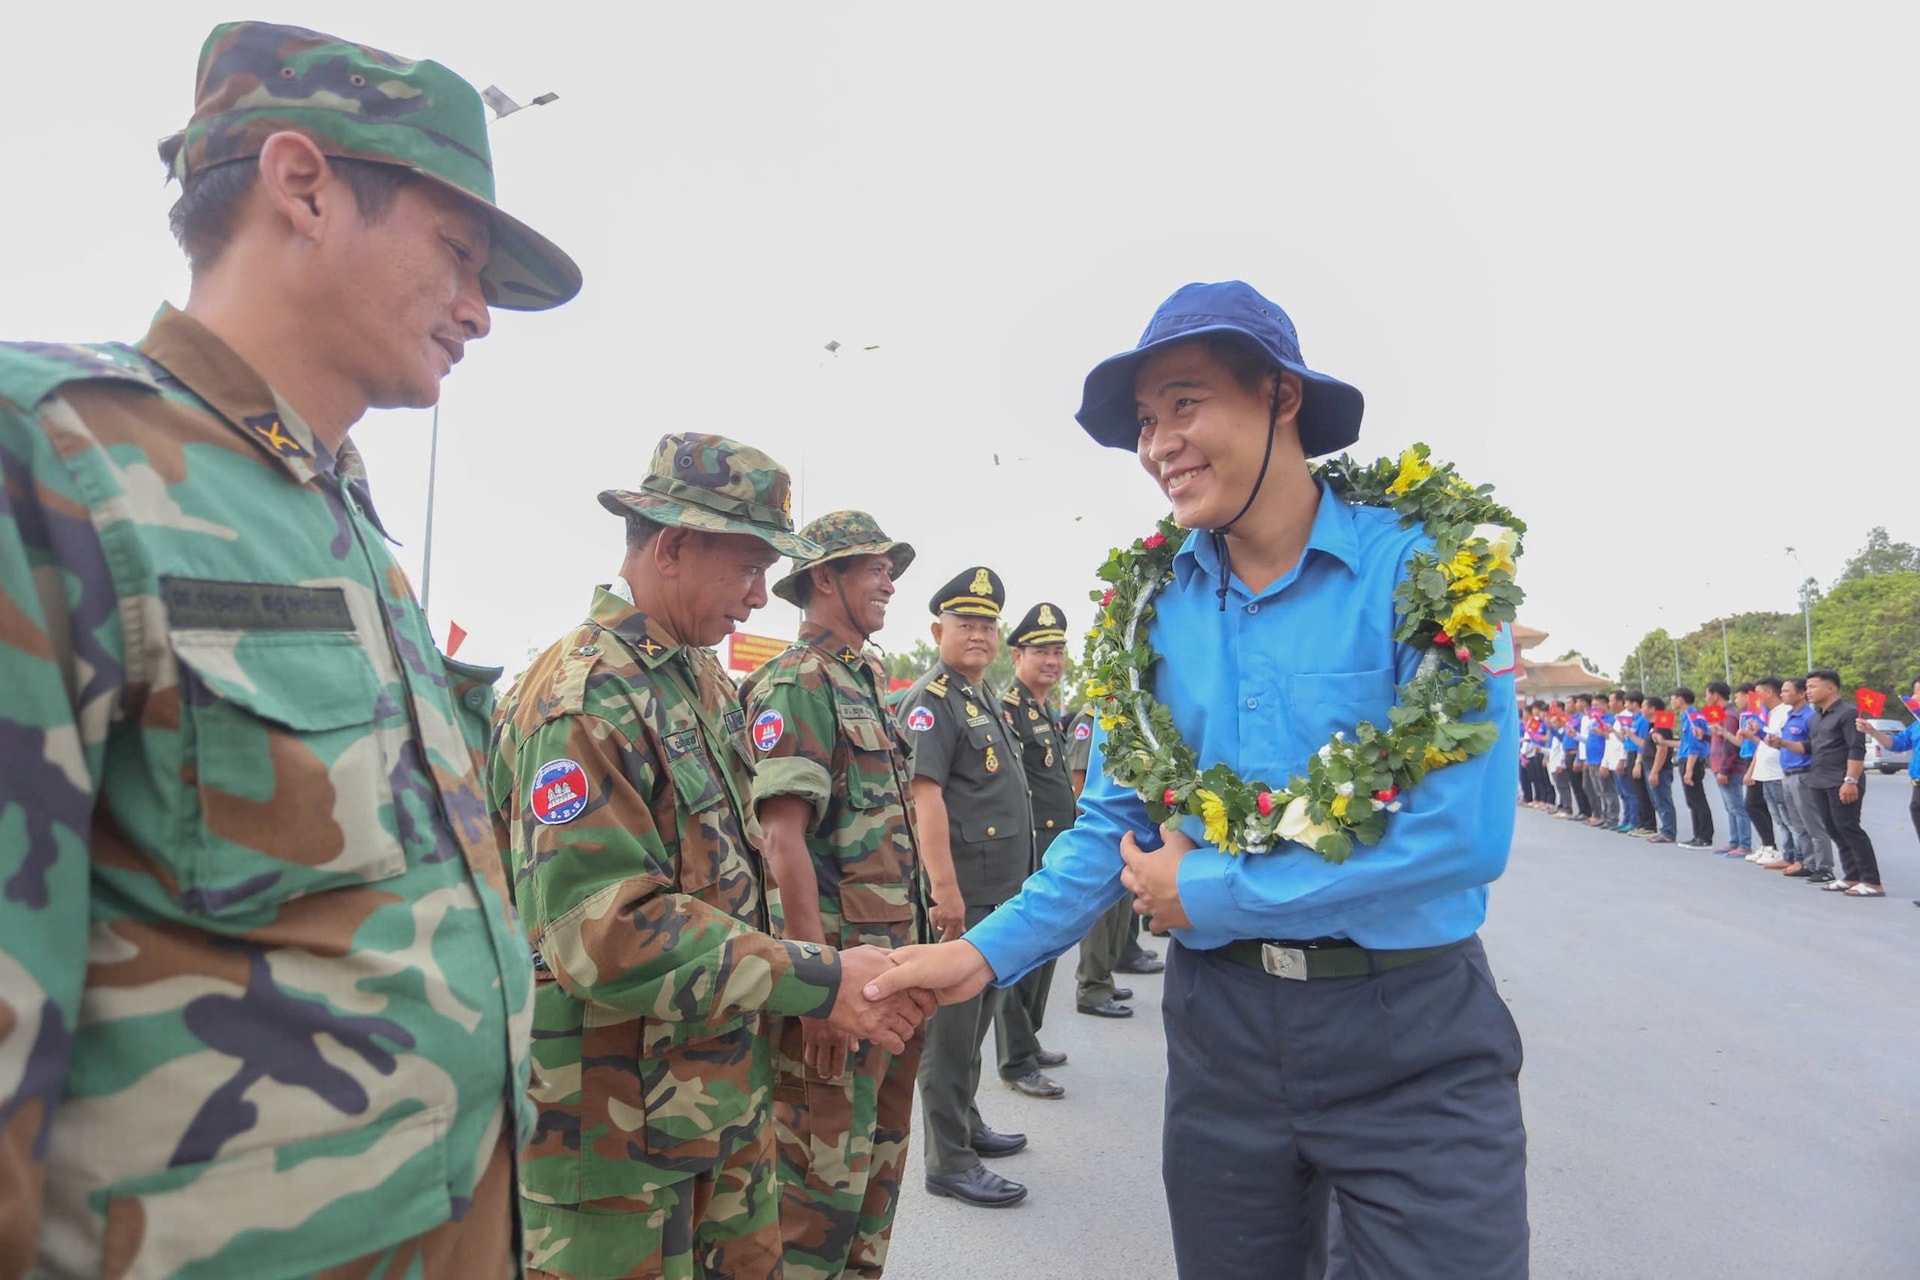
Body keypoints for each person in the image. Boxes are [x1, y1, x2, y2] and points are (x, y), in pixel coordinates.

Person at [0, 21, 582, 1278]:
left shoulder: (337, 511)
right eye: (459, 253)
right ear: (304, 186)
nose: (480, 312)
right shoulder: (50, 454)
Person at [868, 281, 1528, 1277]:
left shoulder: (1430, 574)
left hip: (1411, 1034)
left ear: (1280, 396)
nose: (1158, 444)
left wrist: (1209, 889)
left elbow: (1459, 835)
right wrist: (977, 955)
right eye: (1145, 420)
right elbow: (1112, 826)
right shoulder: (1151, 609)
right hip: (1224, 1036)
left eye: (1185, 403)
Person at [490, 438, 932, 1279]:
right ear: (672, 546)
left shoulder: (698, 680)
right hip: (612, 1146)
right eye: (750, 568)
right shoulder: (585, 697)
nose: (762, 596)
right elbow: (602, 931)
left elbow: (740, 875)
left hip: (718, 1105)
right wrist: (817, 977)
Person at [741, 510, 928, 1279]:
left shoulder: (864, 679)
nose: (890, 584)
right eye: (875, 568)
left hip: (889, 978)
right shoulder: (798, 682)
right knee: (813, 1202)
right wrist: (814, 984)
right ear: (825, 577)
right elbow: (780, 838)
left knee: (872, 1189)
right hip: (839, 987)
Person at [896, 567, 1036, 1208]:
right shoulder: (933, 701)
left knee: (975, 1019)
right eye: (965, 623)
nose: (978, 634)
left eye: (987, 625)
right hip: (965, 895)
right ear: (937, 631)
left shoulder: (981, 697)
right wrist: (943, 890)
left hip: (999, 890)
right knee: (951, 1030)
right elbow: (924, 797)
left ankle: (967, 1122)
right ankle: (948, 1160)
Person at [993, 604, 1080, 1096]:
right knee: (1023, 951)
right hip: (1028, 847)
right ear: (1017, 656)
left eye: (1057, 652)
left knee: (1046, 948)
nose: (1051, 661)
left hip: (1054, 844)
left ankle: (1029, 1038)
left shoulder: (1044, 709)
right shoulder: (1008, 710)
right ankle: (1016, 1059)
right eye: (1041, 651)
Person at [1070, 701, 1142, 1015]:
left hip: (1122, 829)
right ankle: (1092, 988)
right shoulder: (1088, 720)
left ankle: (1104, 980)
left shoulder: (1125, 714)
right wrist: (1089, 827)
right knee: (1100, 917)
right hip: (1101, 830)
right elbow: (1079, 776)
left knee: (1118, 916)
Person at [1799, 670, 1884, 897]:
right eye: (1806, 687)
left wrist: (1850, 780)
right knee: (1834, 829)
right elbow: (1811, 748)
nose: (1808, 691)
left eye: (1812, 686)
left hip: (1842, 780)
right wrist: (1779, 743)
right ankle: (1851, 876)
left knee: (1848, 827)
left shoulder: (1848, 713)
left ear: (1831, 688)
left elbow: (1856, 749)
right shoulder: (1816, 717)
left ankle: (1872, 881)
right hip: (1819, 780)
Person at [1855, 676, 1920, 895]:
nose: (1916, 697)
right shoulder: (1916, 725)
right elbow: (1897, 744)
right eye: (1915, 692)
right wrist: (1872, 731)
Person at [1772, 677, 1835, 883]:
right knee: (1799, 825)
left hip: (1804, 774)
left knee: (1813, 823)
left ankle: (1824, 867)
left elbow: (1813, 747)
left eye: (1786, 691)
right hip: (1789, 774)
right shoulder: (1790, 716)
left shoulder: (1809, 717)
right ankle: (1809, 864)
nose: (1782, 694)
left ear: (1800, 694)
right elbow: (1786, 746)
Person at [1745, 678, 1801, 870]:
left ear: (1768, 693)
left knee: (1789, 819)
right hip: (1766, 774)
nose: (1755, 697)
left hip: (1778, 773)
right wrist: (1757, 733)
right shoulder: (1772, 714)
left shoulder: (1785, 712)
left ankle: (1799, 858)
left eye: (1758, 692)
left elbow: (1782, 742)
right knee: (1780, 819)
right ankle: (1788, 855)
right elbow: (1767, 741)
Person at [1703, 681, 1752, 857]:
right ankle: (1734, 841)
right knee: (1730, 807)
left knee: (1737, 807)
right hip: (1719, 766)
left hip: (1729, 769)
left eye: (1707, 694)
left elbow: (1730, 745)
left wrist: (1724, 769)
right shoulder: (1720, 714)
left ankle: (1744, 844)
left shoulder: (1729, 715)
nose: (1706, 698)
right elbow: (1718, 740)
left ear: (1715, 695)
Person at [1672, 687, 1716, 848]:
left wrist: (1689, 770)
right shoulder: (1687, 716)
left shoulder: (1692, 717)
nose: (1672, 702)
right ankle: (1698, 834)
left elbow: (1694, 745)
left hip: (1691, 761)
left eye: (1673, 698)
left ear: (1680, 699)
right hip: (1687, 758)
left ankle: (1704, 836)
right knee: (1693, 800)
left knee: (1697, 800)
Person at [1642, 694, 1679, 844]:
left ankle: (1668, 832)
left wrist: (1655, 771)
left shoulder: (1661, 726)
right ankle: (1665, 829)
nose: (1642, 710)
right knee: (1658, 801)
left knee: (1663, 800)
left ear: (1652, 708)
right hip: (1650, 767)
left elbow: (1662, 749)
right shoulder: (1652, 726)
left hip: (1659, 769)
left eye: (1644, 706)